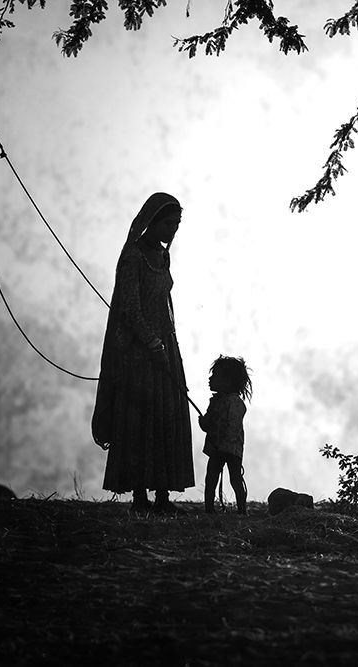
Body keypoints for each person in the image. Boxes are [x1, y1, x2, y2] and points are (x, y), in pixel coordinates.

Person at [92, 192, 194, 514]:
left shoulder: (162, 257)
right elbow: (131, 308)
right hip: (138, 354)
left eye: (177, 224)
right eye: (168, 223)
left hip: (165, 348)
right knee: (139, 419)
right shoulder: (132, 257)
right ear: (152, 221)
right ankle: (139, 496)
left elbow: (165, 304)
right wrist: (151, 344)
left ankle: (163, 496)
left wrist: (166, 344)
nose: (173, 230)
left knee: (165, 416)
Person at [198, 355, 252, 515]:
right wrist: (204, 423)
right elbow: (208, 425)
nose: (210, 379)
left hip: (228, 448)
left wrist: (217, 437)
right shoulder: (215, 402)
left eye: (215, 376)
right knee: (213, 477)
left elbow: (232, 426)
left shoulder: (234, 402)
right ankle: (209, 509)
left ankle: (242, 510)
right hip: (222, 448)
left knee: (233, 478)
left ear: (228, 381)